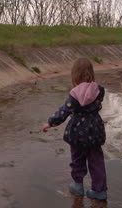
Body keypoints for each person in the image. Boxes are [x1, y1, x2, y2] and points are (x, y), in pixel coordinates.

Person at [42, 58, 107, 201]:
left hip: (78, 132)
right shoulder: (99, 90)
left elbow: (64, 111)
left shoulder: (74, 94)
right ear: (91, 72)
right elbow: (96, 104)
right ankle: (99, 190)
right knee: (96, 160)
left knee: (77, 158)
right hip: (95, 129)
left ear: (75, 75)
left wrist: (50, 123)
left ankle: (78, 186)